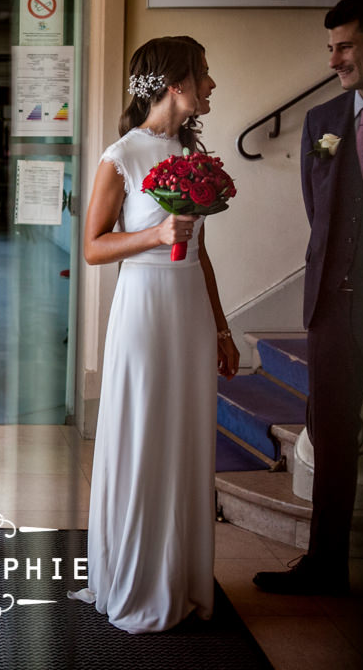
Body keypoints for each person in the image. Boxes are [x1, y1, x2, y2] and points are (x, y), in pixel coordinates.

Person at [72, 36, 239, 634]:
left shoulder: (193, 157)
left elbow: (201, 252)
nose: (212, 85)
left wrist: (221, 327)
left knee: (187, 436)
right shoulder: (123, 154)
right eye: (205, 75)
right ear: (176, 85)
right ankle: (137, 580)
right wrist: (153, 233)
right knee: (145, 431)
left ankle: (183, 576)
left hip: (190, 307)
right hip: (143, 307)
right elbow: (92, 248)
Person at [254, 0, 363, 596]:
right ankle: (325, 567)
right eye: (330, 49)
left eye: (345, 46)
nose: (335, 60)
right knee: (331, 436)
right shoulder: (323, 120)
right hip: (331, 307)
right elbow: (317, 205)